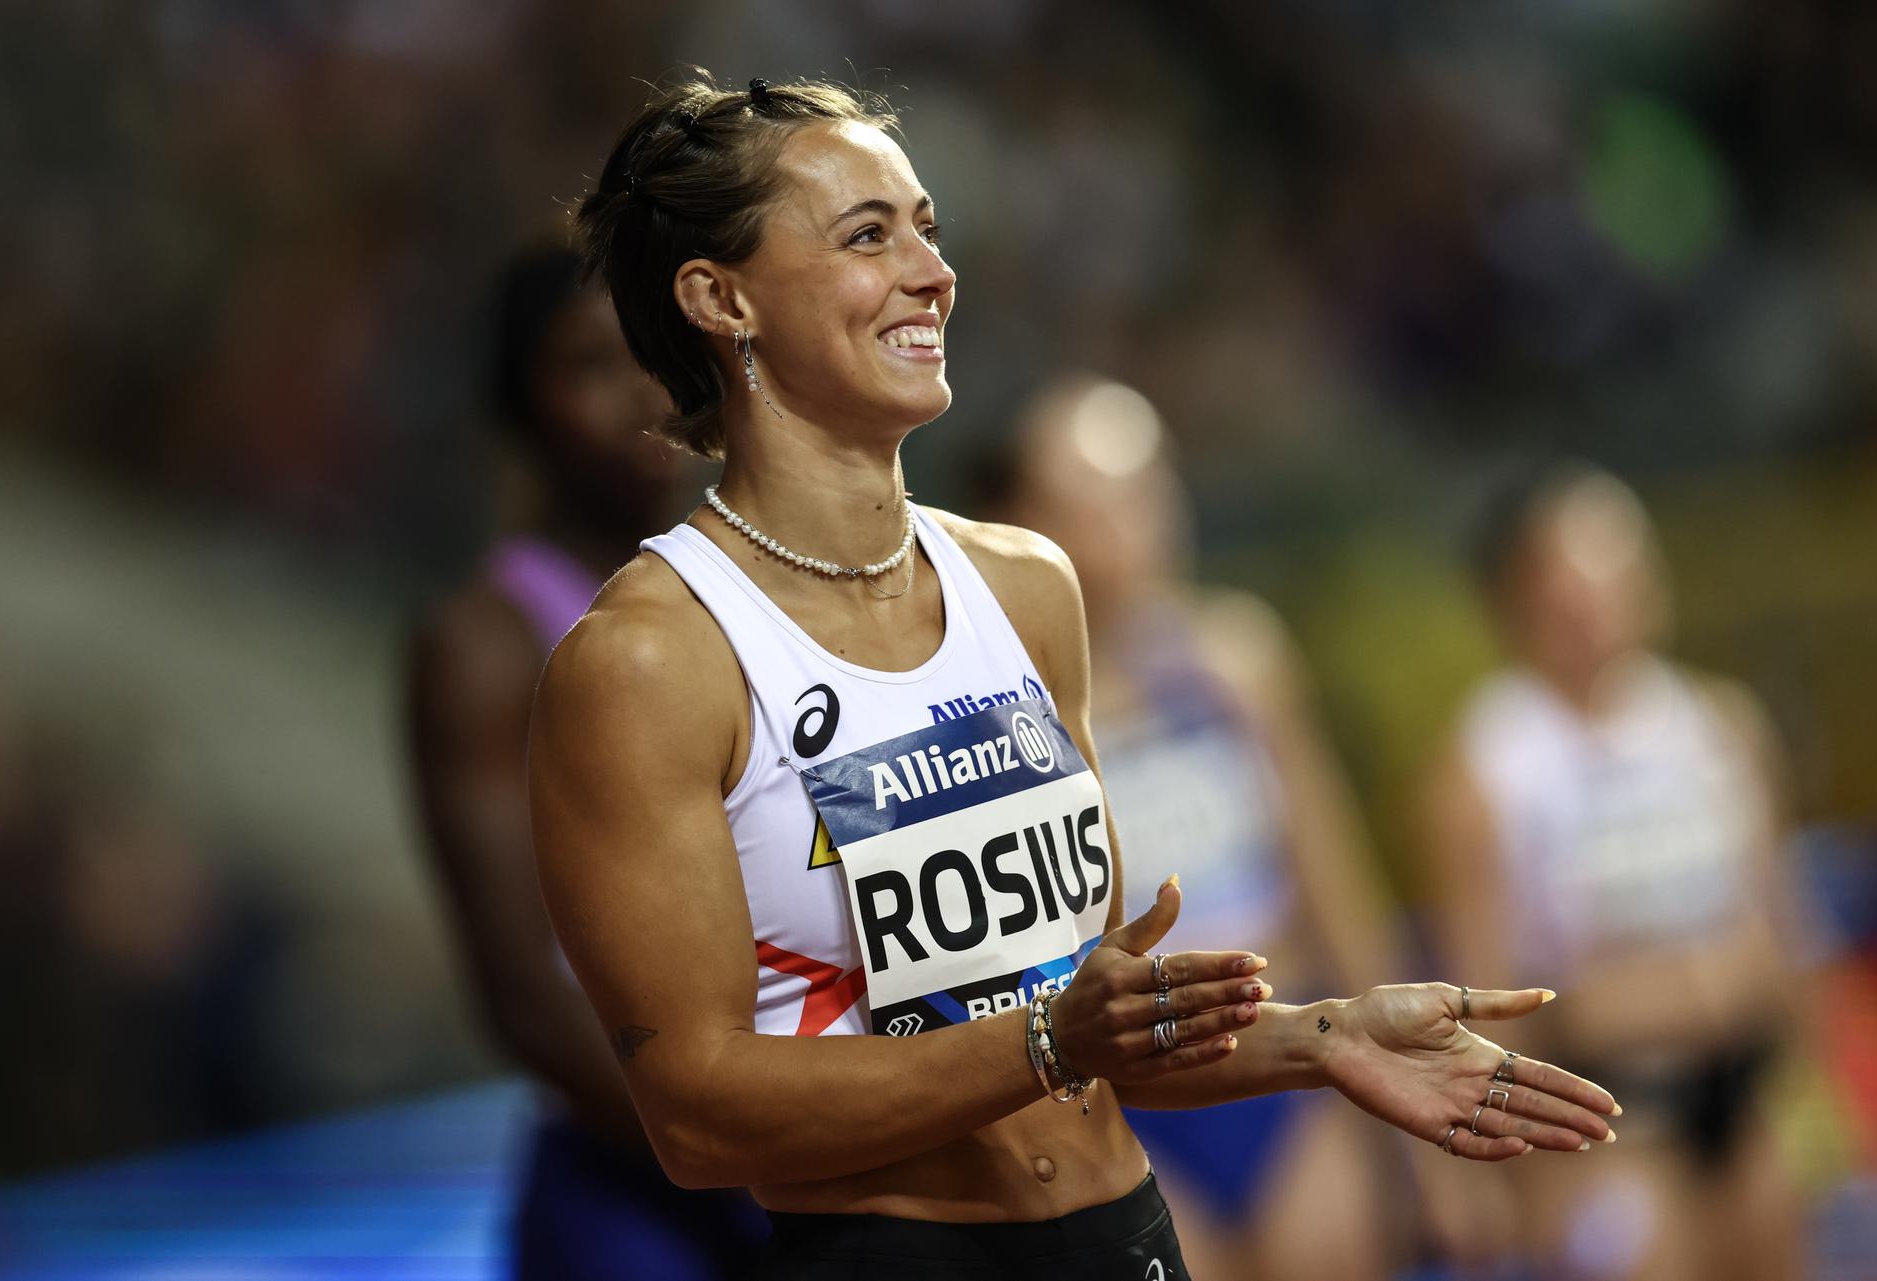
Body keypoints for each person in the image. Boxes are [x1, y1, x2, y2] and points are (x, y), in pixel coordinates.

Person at [529, 74, 1617, 1281]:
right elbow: (693, 1113)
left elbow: (1102, 1020)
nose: (934, 275)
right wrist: (1047, 1038)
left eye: (928, 228)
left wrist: (1325, 1036)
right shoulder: (648, 659)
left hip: (1125, 1239)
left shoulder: (1026, 588)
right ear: (718, 297)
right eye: (867, 235)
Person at [976, 375, 1404, 1281]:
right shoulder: (1002, 715)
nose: (1135, 524)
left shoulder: (1237, 660)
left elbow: (1332, 877)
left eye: (1148, 488)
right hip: (1125, 1095)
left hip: (1282, 1061)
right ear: (1015, 521)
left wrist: (1393, 1073)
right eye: (1092, 502)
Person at [406, 244, 767, 1279]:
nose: (638, 398)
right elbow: (526, 990)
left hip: (798, 1142)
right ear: (518, 405)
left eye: (654, 355)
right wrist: (762, 1152)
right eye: (588, 367)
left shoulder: (752, 592)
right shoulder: (485, 648)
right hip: (637, 1193)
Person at [1419, 463, 1807, 1280]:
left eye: (1619, 570)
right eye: (1570, 580)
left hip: (1739, 1086)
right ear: (1517, 600)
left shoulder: (1721, 729)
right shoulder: (1489, 768)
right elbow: (1483, 999)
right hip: (1603, 1116)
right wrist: (1506, 1171)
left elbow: (1783, 934)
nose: (1599, 599)